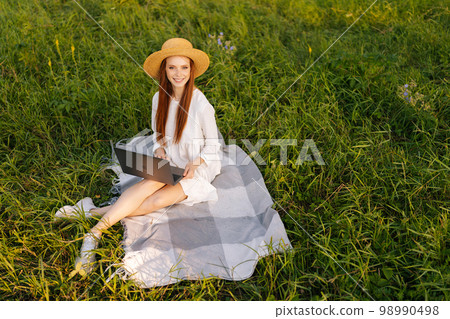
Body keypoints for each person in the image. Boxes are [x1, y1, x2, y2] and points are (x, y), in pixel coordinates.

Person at [55, 38, 222, 275]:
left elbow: (214, 145)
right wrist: (159, 149)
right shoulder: (159, 98)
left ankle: (89, 216)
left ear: (191, 70)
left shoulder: (200, 102)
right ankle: (94, 234)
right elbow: (158, 134)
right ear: (164, 69)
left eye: (184, 67)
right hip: (172, 160)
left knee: (155, 201)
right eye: (172, 67)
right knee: (150, 183)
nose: (178, 73)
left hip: (198, 167)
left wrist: (195, 164)